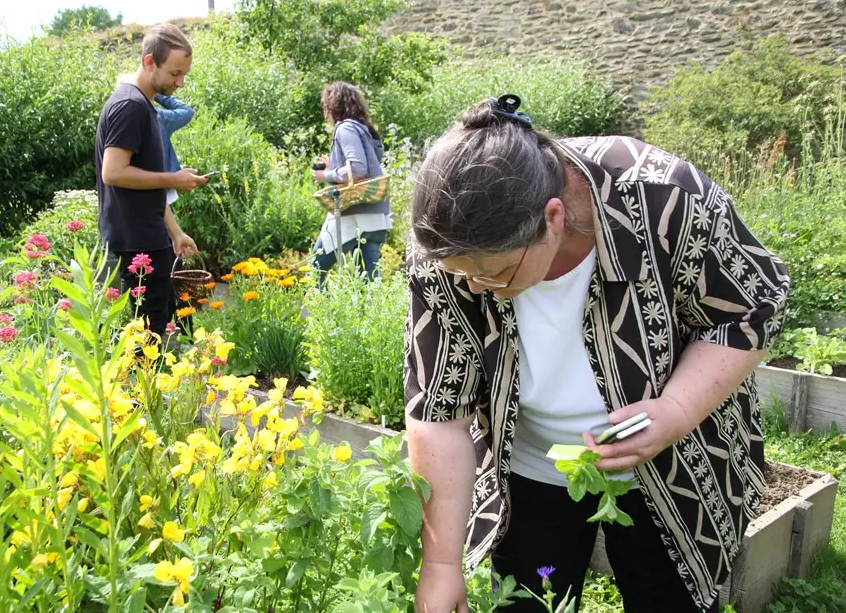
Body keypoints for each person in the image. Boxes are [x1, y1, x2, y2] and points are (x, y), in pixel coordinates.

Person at [405, 96, 790, 613]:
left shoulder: (665, 196)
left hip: (677, 462)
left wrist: (674, 411)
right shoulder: (449, 236)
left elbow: (752, 306)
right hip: (531, 465)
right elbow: (439, 408)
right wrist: (441, 566)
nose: (475, 288)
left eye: (493, 274)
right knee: (529, 604)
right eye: (462, 275)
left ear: (554, 217)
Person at [96, 23, 206, 338]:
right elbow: (113, 172)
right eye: (174, 73)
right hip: (137, 240)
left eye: (184, 73)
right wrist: (174, 177)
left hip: (151, 235)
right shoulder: (130, 105)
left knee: (165, 325)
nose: (180, 82)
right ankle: (144, 387)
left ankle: (156, 386)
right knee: (150, 336)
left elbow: (147, 182)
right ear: (149, 62)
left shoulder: (142, 104)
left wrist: (175, 232)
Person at [311, 81, 389, 278]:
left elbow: (358, 169)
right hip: (375, 215)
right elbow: (369, 166)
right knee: (369, 281)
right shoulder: (365, 129)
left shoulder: (345, 128)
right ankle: (368, 311)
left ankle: (318, 309)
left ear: (333, 105)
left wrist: (325, 175)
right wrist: (335, 167)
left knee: (316, 268)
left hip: (352, 214)